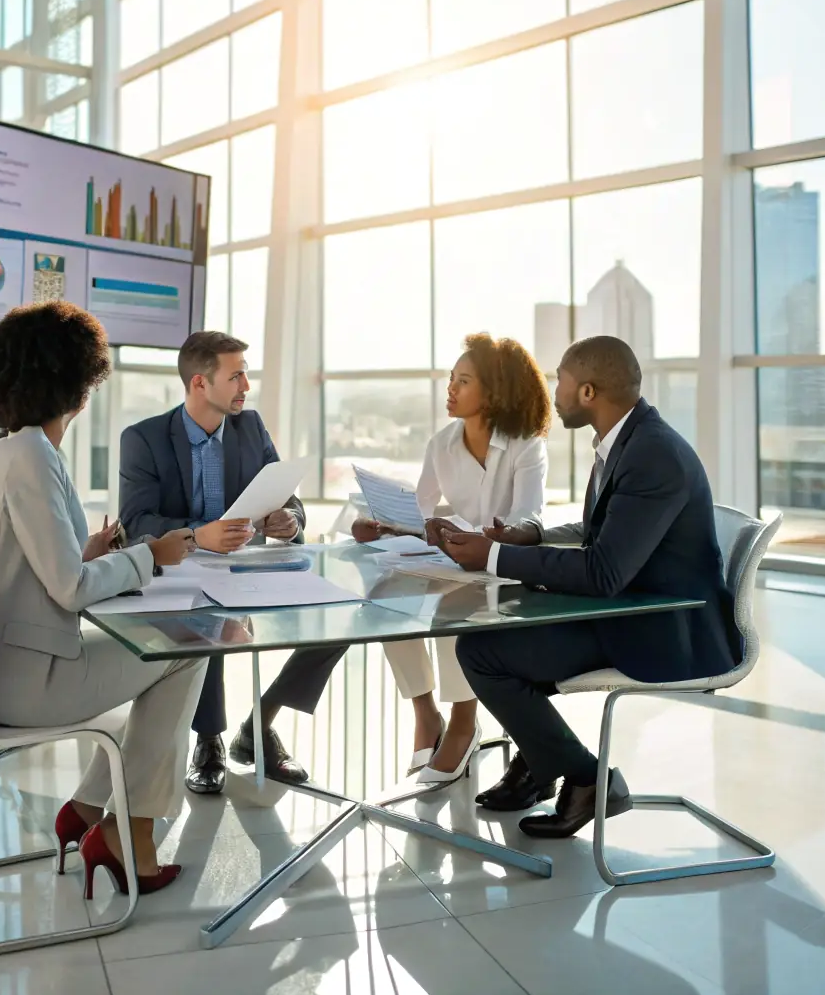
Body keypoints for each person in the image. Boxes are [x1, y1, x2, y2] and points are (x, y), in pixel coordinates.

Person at [441, 335, 741, 834]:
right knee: (501, 635)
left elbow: (603, 571)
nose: (553, 392)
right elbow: (601, 530)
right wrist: (532, 535)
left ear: (588, 392)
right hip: (636, 607)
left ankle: (587, 779)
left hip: (662, 628)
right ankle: (539, 764)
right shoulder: (627, 441)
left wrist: (495, 555)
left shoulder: (652, 455)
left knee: (482, 652)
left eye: (560, 380)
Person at [0, 301, 204, 897]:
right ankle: (125, 835)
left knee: (164, 652)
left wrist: (92, 550)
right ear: (76, 383)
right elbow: (68, 591)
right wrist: (153, 556)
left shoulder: (12, 450)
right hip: (23, 679)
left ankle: (91, 808)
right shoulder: (33, 457)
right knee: (191, 646)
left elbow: (45, 567)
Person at [120, 330, 348, 795]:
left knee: (339, 619)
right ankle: (209, 739)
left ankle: (260, 723)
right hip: (182, 571)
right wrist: (196, 535)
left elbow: (290, 499)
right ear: (200, 383)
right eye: (236, 375)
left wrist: (289, 519)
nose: (246, 385)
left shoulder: (250, 427)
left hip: (246, 565)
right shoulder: (143, 439)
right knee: (211, 618)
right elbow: (136, 521)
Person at [353, 334, 550, 785]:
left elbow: (529, 519)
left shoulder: (525, 445)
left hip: (505, 569)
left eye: (464, 381)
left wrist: (490, 538)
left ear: (494, 392)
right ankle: (426, 715)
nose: (451, 389)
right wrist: (383, 524)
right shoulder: (441, 443)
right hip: (453, 562)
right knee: (384, 599)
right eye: (451, 379)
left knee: (450, 600)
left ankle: (464, 720)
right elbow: (421, 510)